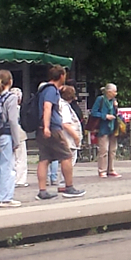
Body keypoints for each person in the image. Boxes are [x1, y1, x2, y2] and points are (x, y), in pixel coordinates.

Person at [35, 65, 84, 200]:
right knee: (66, 156)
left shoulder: (42, 89)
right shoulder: (51, 90)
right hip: (52, 128)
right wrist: (47, 126)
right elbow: (47, 107)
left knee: (44, 159)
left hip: (40, 128)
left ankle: (42, 191)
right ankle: (69, 187)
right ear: (61, 76)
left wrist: (43, 127)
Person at [0, 70, 24, 208]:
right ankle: (5, 198)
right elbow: (13, 120)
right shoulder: (11, 97)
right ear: (11, 81)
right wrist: (16, 140)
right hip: (5, 134)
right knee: (7, 166)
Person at [90, 83, 121, 178]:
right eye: (114, 91)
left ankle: (111, 169)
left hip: (113, 127)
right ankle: (101, 170)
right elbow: (94, 112)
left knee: (113, 149)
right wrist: (105, 116)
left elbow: (116, 113)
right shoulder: (101, 99)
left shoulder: (114, 101)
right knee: (104, 150)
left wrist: (116, 108)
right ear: (109, 92)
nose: (116, 93)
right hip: (103, 127)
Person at [10, 87, 29, 188]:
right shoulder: (19, 109)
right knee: (21, 158)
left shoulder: (7, 108)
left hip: (8, 135)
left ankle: (11, 179)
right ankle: (20, 180)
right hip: (20, 134)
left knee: (11, 158)